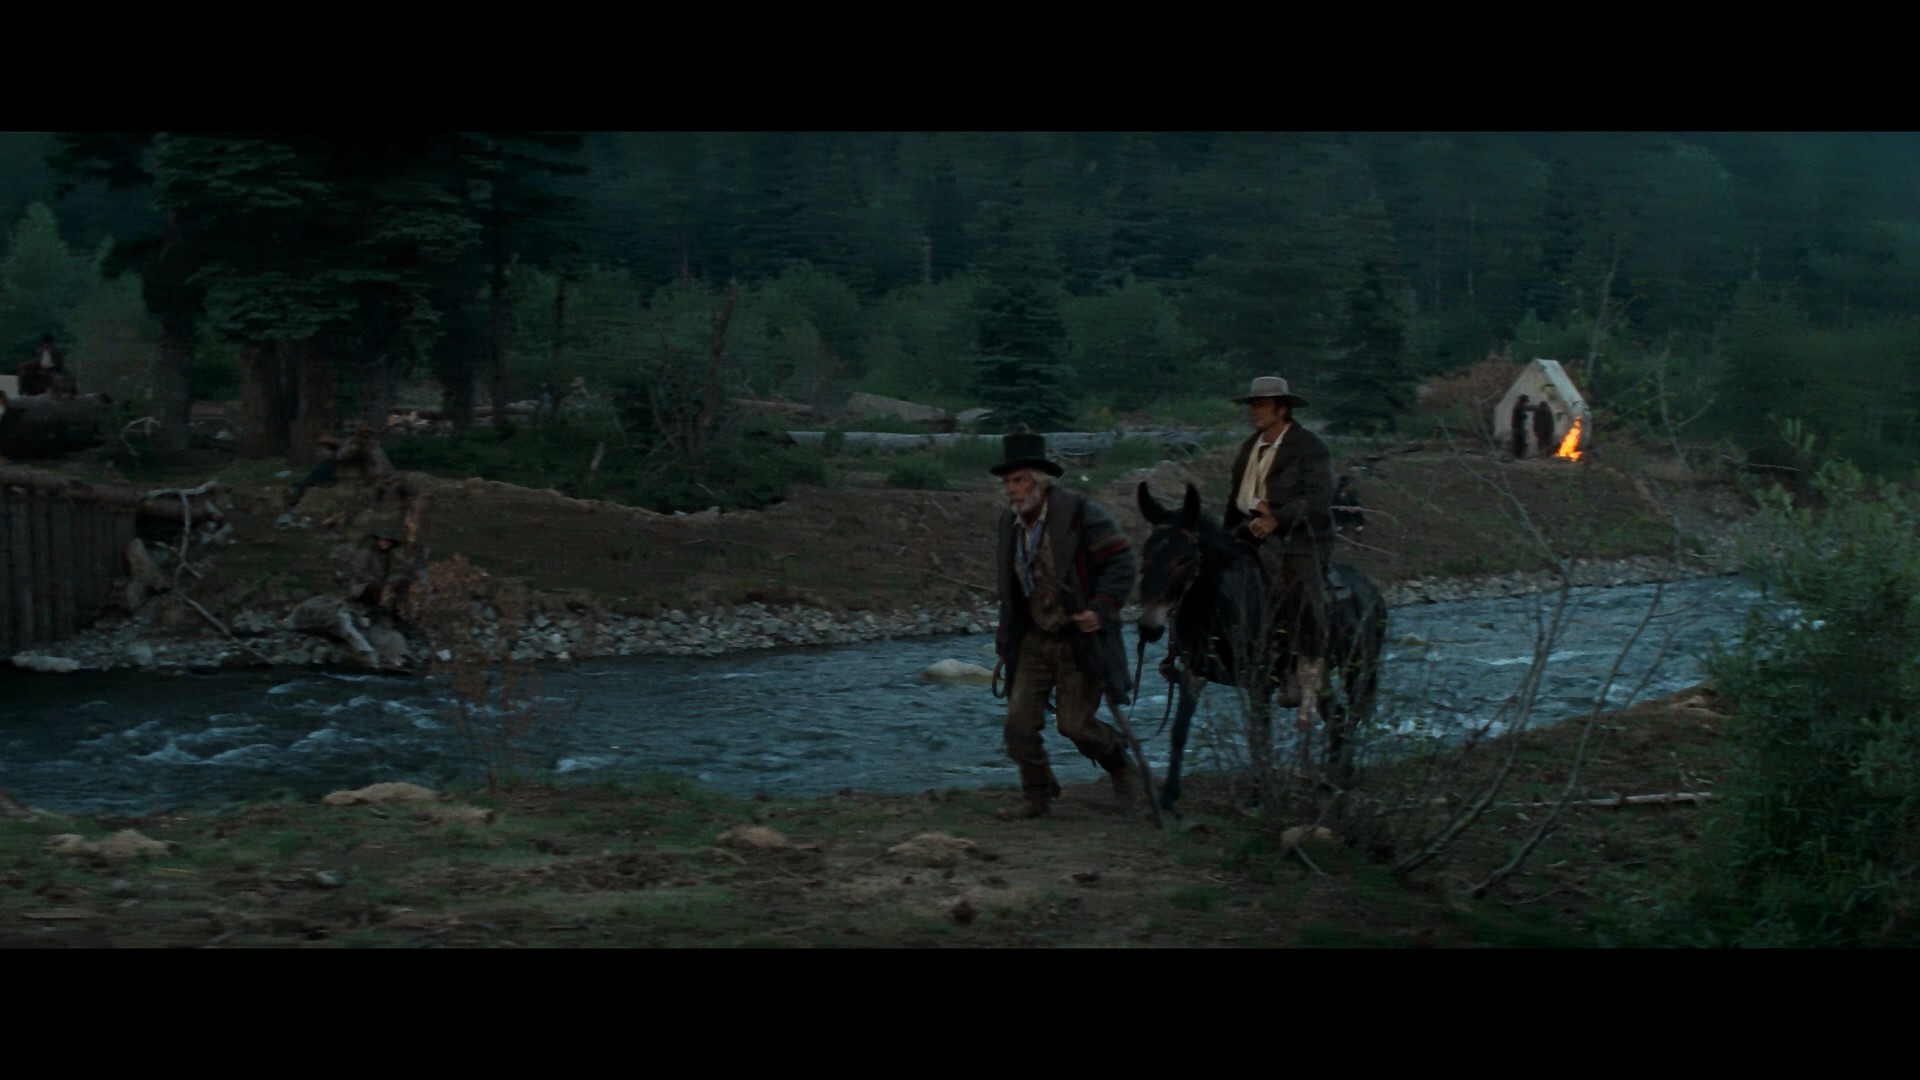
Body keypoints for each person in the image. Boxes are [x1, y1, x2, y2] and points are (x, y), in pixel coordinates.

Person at [992, 429, 1139, 820]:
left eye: (1019, 480)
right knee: (1018, 724)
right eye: (1007, 482)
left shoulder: (1079, 513)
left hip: (1079, 639)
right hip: (1033, 637)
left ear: (1040, 482)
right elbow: (1010, 589)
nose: (1011, 490)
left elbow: (1122, 561)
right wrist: (1005, 641)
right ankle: (1037, 794)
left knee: (1075, 726)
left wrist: (1100, 608)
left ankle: (1121, 768)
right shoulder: (1009, 524)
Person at [1223, 374, 1336, 731]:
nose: (1254, 411)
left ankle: (1308, 677)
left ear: (1282, 409)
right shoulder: (1249, 448)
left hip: (1300, 538)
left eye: (1262, 405)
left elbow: (1318, 500)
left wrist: (1277, 520)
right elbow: (1236, 499)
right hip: (1250, 531)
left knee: (1304, 595)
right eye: (1253, 405)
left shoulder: (1309, 447)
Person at [1332, 475, 1366, 539]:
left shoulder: (1350, 493)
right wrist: (1345, 508)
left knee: (1359, 513)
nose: (1347, 487)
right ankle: (1338, 531)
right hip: (1339, 513)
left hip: (1349, 514)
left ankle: (1359, 531)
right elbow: (1333, 505)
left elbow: (1356, 502)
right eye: (1346, 486)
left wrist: (1355, 508)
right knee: (1338, 515)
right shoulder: (1335, 493)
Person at [1509, 393, 1531, 458]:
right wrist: (1525, 415)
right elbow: (1523, 416)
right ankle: (1519, 455)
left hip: (1517, 426)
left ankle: (1518, 455)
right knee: (1520, 441)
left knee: (1518, 441)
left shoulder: (1518, 405)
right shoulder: (1519, 406)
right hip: (1518, 427)